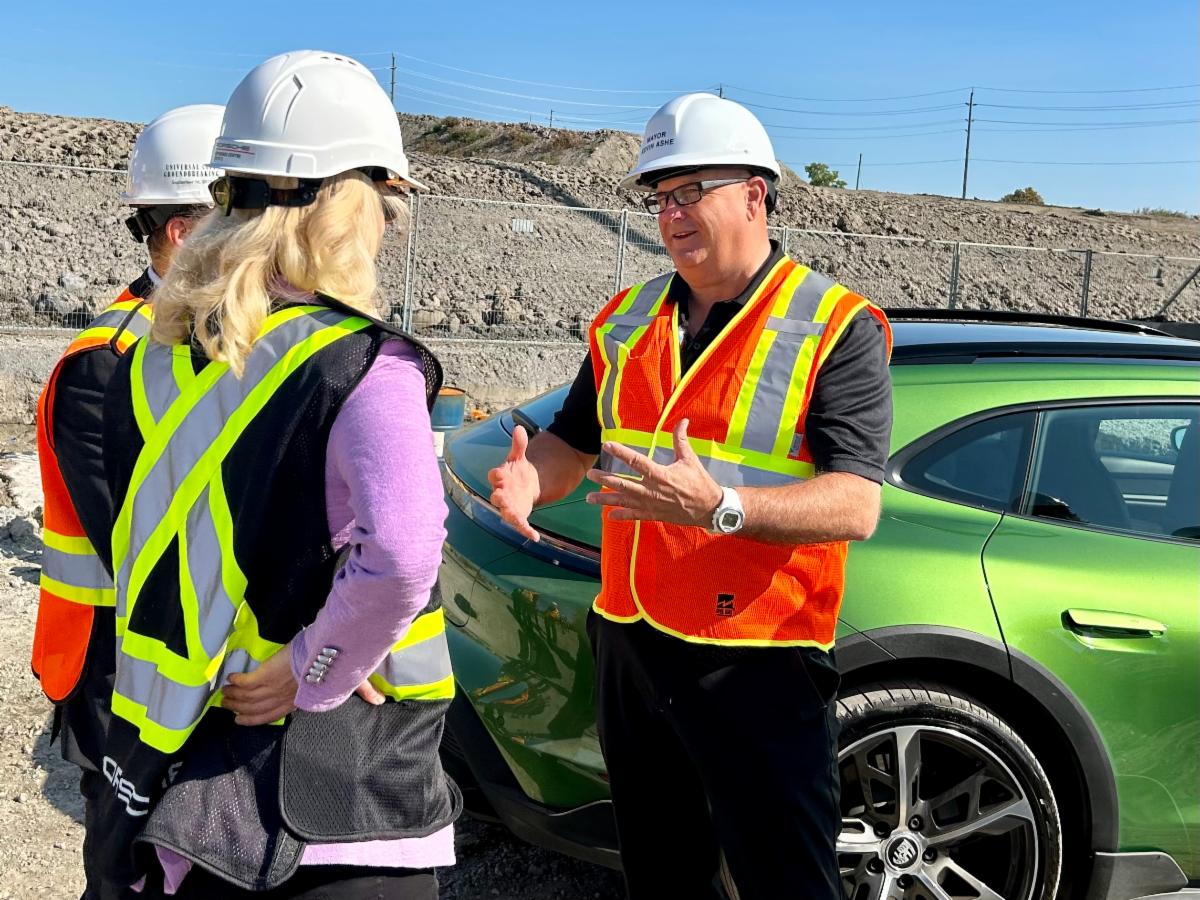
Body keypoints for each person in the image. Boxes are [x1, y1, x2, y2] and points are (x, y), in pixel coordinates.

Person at [489, 92, 893, 899]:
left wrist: (721, 508)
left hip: (759, 659)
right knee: (661, 876)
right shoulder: (626, 320)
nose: (671, 214)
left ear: (755, 195)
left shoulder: (834, 326)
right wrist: (534, 480)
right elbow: (575, 440)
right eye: (661, 196)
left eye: (691, 191)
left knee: (787, 883)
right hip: (632, 642)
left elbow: (856, 504)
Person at [91, 50, 459, 899]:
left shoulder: (156, 359)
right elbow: (404, 552)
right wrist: (315, 665)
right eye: (385, 204)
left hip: (182, 782)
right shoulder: (363, 365)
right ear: (346, 204)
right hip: (340, 806)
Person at [30, 102, 225, 900]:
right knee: (128, 871)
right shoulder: (104, 365)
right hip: (117, 674)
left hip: (181, 665)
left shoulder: (209, 341)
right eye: (239, 214)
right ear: (182, 232)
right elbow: (142, 548)